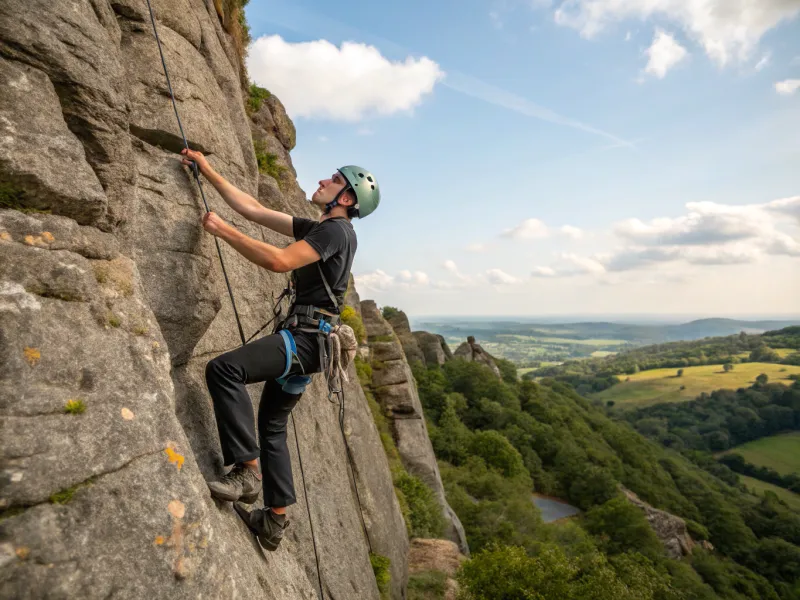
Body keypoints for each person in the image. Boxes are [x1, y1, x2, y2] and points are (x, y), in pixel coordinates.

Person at [179, 148, 380, 551]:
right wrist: (208, 169)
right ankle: (274, 522)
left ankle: (248, 472)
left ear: (346, 199)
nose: (323, 181)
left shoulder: (334, 232)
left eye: (334, 180)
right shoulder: (321, 228)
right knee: (272, 427)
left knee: (224, 370)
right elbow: (253, 208)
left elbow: (278, 262)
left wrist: (223, 232)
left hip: (305, 341)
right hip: (312, 344)